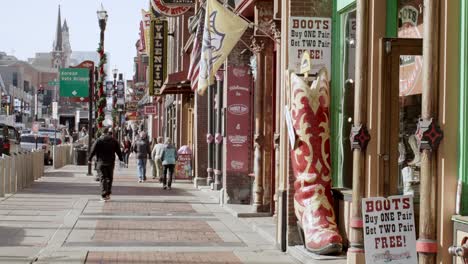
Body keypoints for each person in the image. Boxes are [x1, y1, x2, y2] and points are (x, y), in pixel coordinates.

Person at [88, 127, 123, 201]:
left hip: (101, 162)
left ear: (102, 132)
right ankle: (108, 194)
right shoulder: (114, 140)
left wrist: (89, 159)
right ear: (108, 132)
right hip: (110, 162)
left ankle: (104, 194)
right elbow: (118, 151)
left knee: (103, 178)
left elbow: (92, 150)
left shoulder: (98, 140)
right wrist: (121, 159)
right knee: (110, 178)